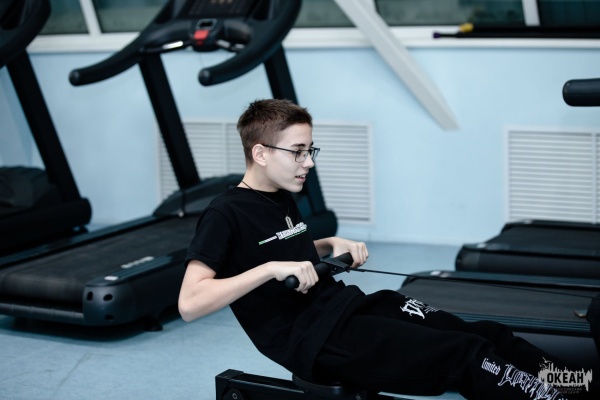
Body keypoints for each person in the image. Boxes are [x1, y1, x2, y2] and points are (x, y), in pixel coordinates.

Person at [179, 99, 598, 400]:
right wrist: (269, 269)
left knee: (486, 333)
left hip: (347, 308)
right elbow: (190, 302)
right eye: (298, 152)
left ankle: (582, 385)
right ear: (260, 153)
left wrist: (329, 244)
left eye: (310, 151)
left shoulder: (280, 194)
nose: (309, 162)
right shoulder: (225, 212)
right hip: (318, 340)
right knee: (466, 355)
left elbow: (280, 247)